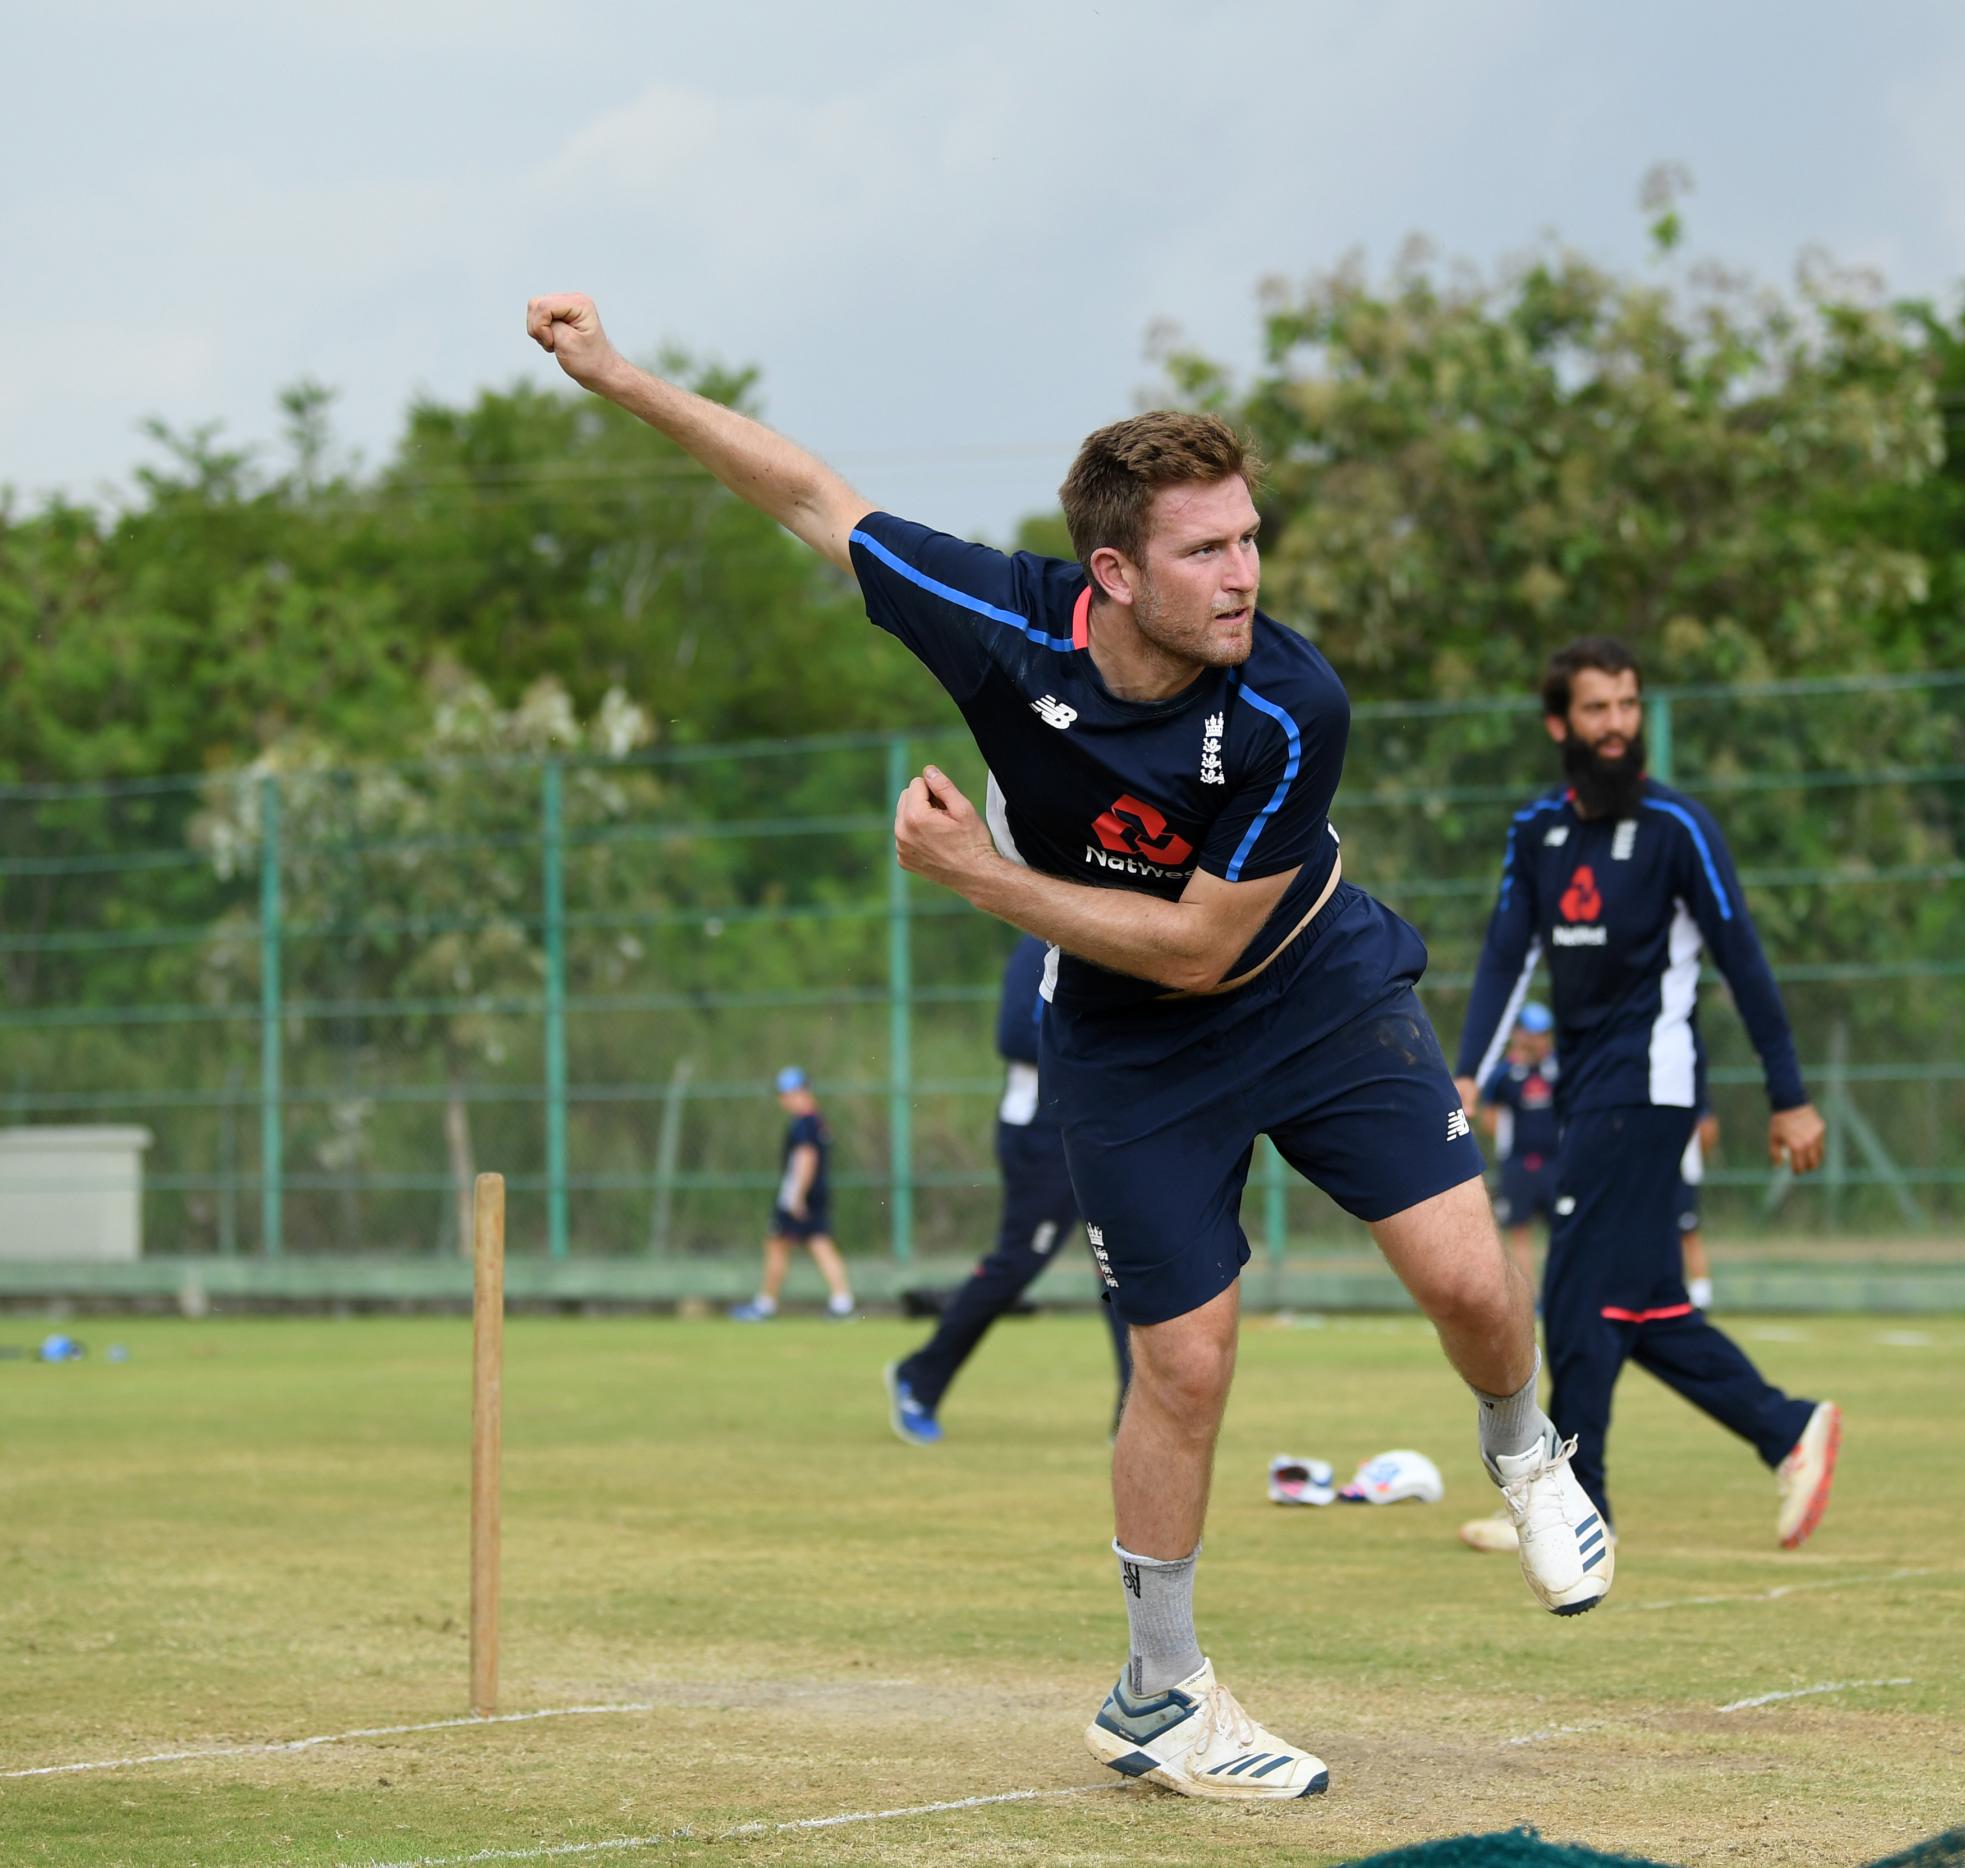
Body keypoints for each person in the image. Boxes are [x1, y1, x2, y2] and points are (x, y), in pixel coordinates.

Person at [526, 293, 1606, 1804]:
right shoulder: (996, 618)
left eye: (1248, 540)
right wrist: (616, 374)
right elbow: (804, 493)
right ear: (1112, 572)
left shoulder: (1292, 704)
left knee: (1472, 1283)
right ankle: (1160, 1696)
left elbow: (1206, 944)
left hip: (1308, 987)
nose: (1244, 577)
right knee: (1185, 1366)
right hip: (1124, 1042)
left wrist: (983, 880)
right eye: (1205, 551)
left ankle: (1528, 1453)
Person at [1451, 636, 1840, 1556]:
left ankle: (1576, 1508)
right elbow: (1508, 957)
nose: (1618, 725)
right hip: (1589, 1090)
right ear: (1561, 724)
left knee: (1582, 1294)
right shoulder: (1536, 831)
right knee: (1646, 1304)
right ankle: (1786, 1428)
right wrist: (1468, 1071)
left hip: (1652, 1085)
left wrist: (1791, 1096)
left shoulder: (1679, 828)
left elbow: (1743, 962)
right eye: (1598, 708)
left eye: (1629, 705)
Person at [885, 935, 1132, 1442]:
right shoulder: (1039, 942)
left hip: (1100, 1127)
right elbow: (1014, 1036)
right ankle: (919, 1377)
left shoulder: (1116, 935)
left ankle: (1136, 1410)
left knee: (1123, 1267)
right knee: (1019, 1261)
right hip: (1039, 1134)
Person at [730, 1067, 856, 1321]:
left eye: (789, 1093)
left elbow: (805, 1159)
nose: (784, 1099)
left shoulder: (802, 1124)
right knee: (820, 1244)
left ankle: (765, 1304)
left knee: (776, 1244)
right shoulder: (818, 1121)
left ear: (803, 1092)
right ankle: (842, 1302)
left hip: (800, 1193)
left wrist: (796, 1196)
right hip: (818, 1192)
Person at [1478, 1003, 1562, 1290]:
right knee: (1519, 1230)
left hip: (1557, 1163)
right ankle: (1529, 1295)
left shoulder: (1559, 1069)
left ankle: (1556, 1292)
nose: (1536, 1040)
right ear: (1518, 1033)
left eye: (1542, 1034)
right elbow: (1489, 1116)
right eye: (1530, 1033)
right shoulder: (1503, 1074)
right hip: (1517, 1164)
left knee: (1562, 1230)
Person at [1678, 1093, 1721, 1313]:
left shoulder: (1690, 1076)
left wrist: (1692, 1159)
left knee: (1688, 1232)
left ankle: (1700, 1299)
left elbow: (1708, 1128)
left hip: (1681, 1172)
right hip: (1647, 1171)